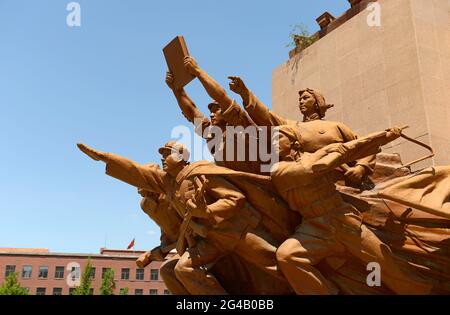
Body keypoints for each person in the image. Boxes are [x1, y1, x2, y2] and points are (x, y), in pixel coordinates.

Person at [77, 141, 287, 295]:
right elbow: (136, 171)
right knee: (179, 269)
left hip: (235, 232)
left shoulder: (200, 172)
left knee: (277, 269)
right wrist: (104, 157)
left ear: (180, 156)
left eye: (166, 154)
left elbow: (235, 198)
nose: (162, 158)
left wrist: (207, 212)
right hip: (210, 240)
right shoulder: (168, 182)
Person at [270, 125, 433, 294]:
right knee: (287, 256)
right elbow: (314, 167)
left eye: (278, 138)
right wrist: (333, 151)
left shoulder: (314, 155)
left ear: (294, 142)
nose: (273, 143)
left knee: (384, 264)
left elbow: (353, 150)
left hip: (343, 219)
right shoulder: (278, 170)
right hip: (315, 227)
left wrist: (385, 136)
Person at [228, 77, 376, 187]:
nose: (301, 101)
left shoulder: (336, 126)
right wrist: (244, 93)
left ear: (317, 102)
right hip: (306, 185)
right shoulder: (292, 126)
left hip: (341, 186)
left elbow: (366, 146)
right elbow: (266, 115)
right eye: (299, 99)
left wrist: (361, 168)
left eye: (306, 98)